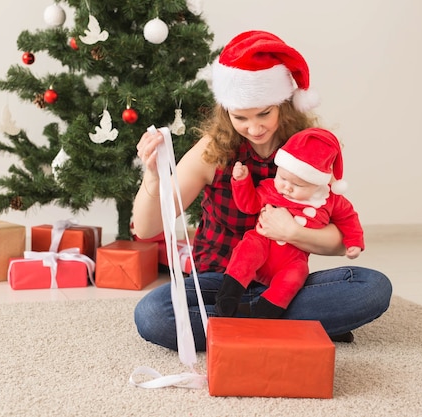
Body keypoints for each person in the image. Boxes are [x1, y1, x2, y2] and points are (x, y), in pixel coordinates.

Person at [132, 30, 392, 351]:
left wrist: (291, 232)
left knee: (372, 287)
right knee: (153, 314)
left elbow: (341, 240)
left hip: (281, 282)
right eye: (241, 117)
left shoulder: (310, 150)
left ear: (284, 104)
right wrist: (153, 177)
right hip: (220, 282)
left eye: (264, 113)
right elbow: (146, 229)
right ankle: (290, 322)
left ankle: (241, 323)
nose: (254, 128)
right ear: (226, 110)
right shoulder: (212, 151)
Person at [216, 127, 364, 319]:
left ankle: (265, 313)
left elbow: (348, 218)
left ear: (318, 184)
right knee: (248, 248)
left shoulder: (331, 200)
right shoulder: (271, 188)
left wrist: (354, 242)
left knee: (297, 274)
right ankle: (229, 295)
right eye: (283, 178)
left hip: (292, 260)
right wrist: (242, 181)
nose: (286, 187)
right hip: (263, 245)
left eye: (298, 185)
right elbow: (248, 205)